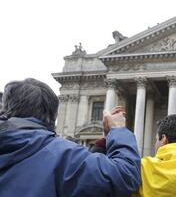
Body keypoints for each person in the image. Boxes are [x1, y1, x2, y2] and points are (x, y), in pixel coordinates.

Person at [0, 78, 141, 197]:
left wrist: (102, 143)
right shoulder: (62, 154)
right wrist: (118, 130)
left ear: (6, 108)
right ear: (52, 116)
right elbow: (125, 176)